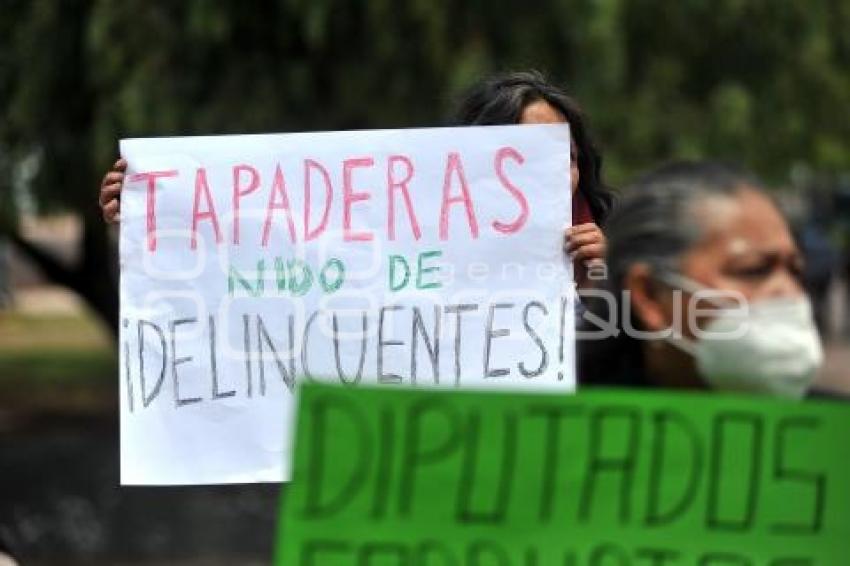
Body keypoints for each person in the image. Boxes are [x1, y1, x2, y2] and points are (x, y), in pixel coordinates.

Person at [578, 161, 831, 399]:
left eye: (795, 271)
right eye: (753, 269)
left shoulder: (833, 433)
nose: (789, 293)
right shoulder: (563, 430)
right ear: (650, 295)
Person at [454, 70, 615, 288]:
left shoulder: (615, 252)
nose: (555, 173)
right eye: (532, 155)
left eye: (568, 157)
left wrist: (609, 288)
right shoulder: (435, 259)